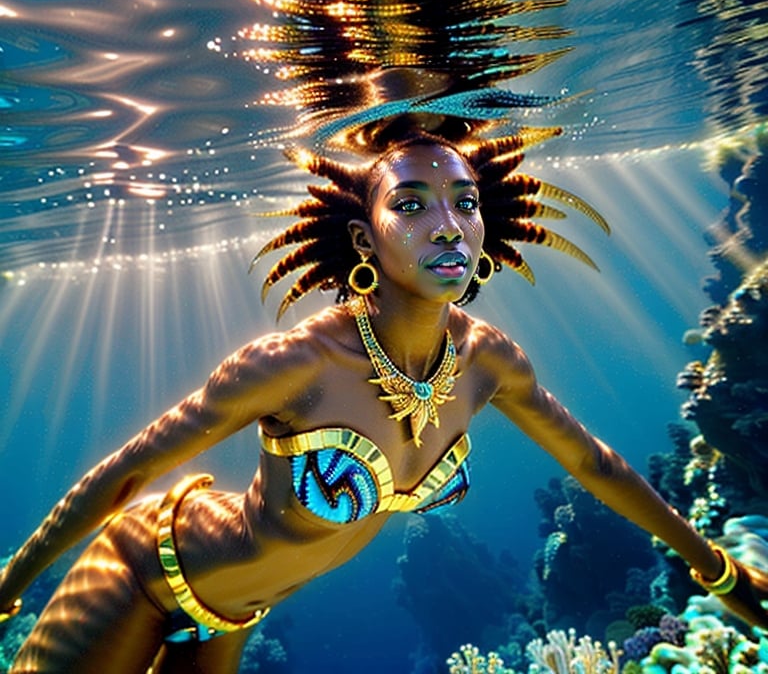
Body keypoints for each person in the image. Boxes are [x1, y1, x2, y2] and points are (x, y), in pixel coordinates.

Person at [1, 131, 767, 674]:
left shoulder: (488, 359)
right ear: (364, 239)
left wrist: (723, 574)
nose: (449, 229)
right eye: (411, 205)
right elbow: (127, 471)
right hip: (146, 567)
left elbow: (593, 464)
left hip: (233, 618)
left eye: (465, 203)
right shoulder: (299, 361)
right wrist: (9, 586)